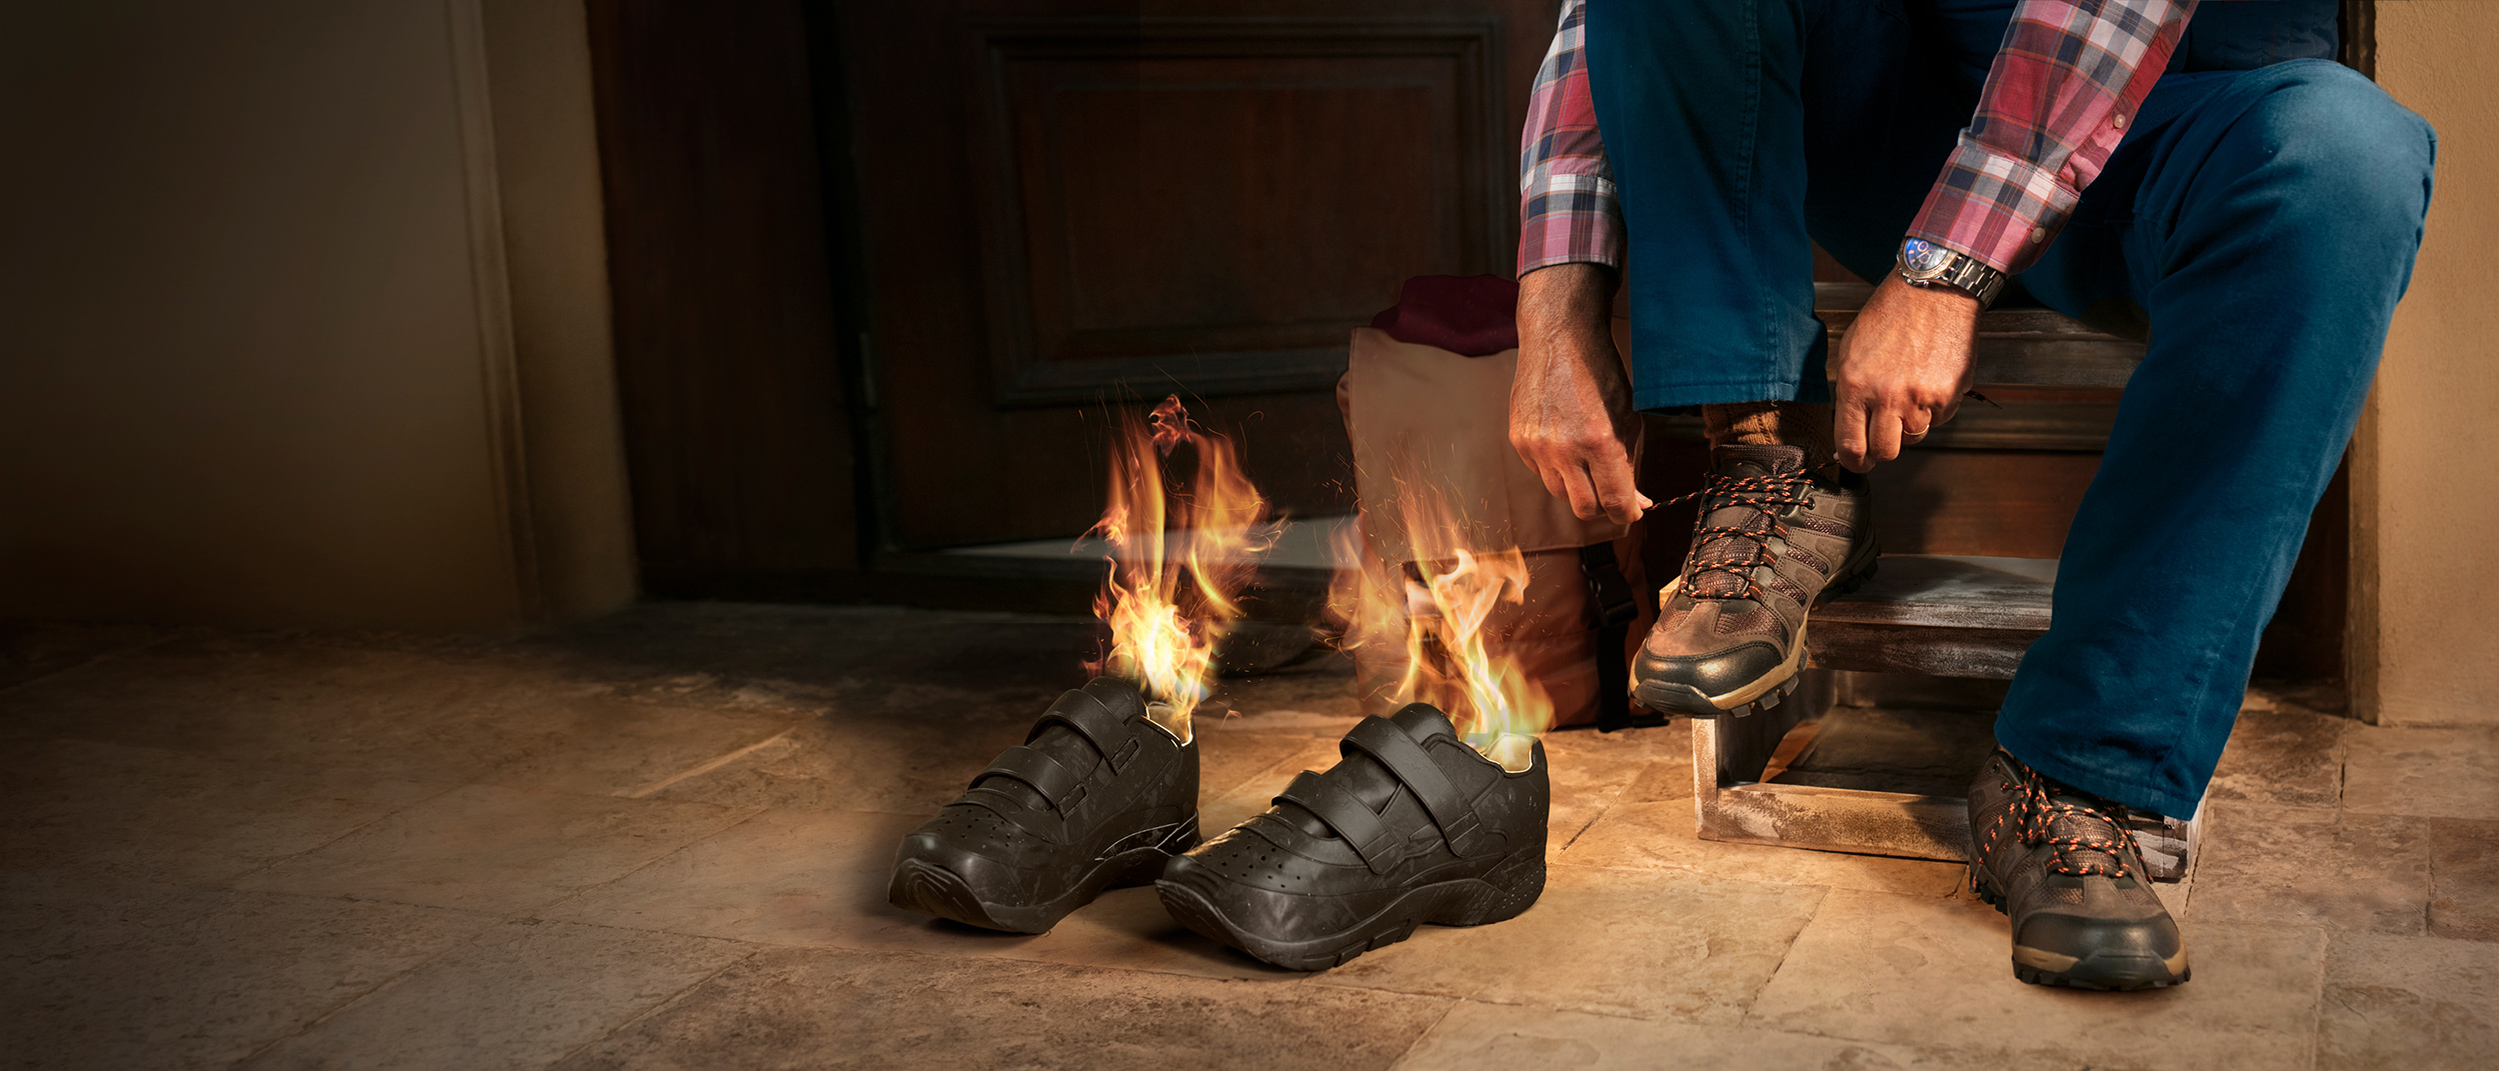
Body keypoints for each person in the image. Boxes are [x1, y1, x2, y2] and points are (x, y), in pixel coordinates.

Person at [1507, 0, 2432, 990]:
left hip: (2170, 128)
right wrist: (1554, 308)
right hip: (1893, 118)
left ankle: (2076, 770)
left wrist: (1942, 269)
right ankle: (1767, 461)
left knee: (2351, 160)